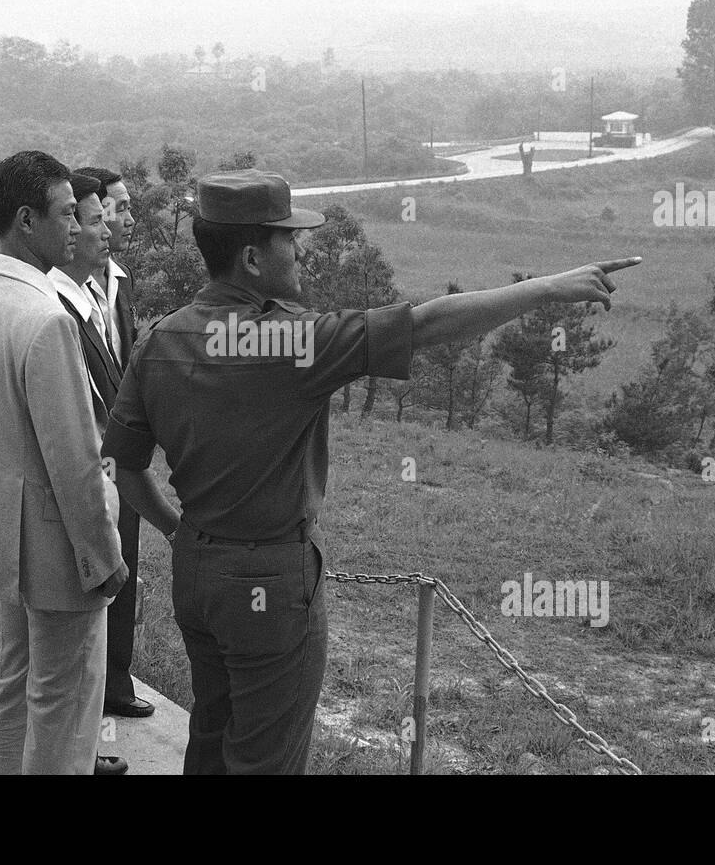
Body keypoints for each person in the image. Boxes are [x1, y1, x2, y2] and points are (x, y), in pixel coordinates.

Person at [102, 168, 642, 774]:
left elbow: (126, 469)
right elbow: (428, 324)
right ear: (252, 257)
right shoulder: (290, 343)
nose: (300, 248)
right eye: (289, 238)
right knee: (265, 759)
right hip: (270, 579)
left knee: (211, 736)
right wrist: (544, 289)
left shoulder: (159, 338)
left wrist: (183, 534)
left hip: (196, 571)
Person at [0, 151, 128, 775]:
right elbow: (75, 463)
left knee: (13, 681)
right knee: (64, 698)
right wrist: (102, 557)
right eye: (68, 213)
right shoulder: (46, 319)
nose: (78, 227)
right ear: (26, 220)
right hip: (58, 542)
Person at [71, 166, 152, 718]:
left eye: (119, 210)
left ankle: (114, 685)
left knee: (126, 566)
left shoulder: (118, 280)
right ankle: (87, 700)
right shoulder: (63, 295)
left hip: (121, 452)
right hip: (89, 455)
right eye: (108, 211)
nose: (121, 221)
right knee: (93, 576)